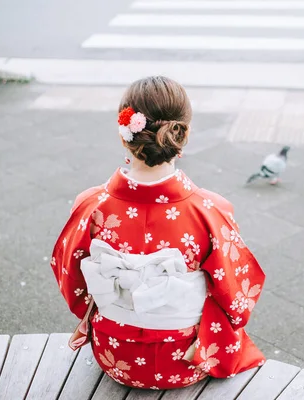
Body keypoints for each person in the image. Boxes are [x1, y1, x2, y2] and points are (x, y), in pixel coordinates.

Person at [51, 76, 265, 390]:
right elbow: (238, 296)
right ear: (184, 134)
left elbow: (72, 282)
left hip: (114, 355)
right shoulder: (211, 211)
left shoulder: (90, 207)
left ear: (123, 135)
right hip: (186, 360)